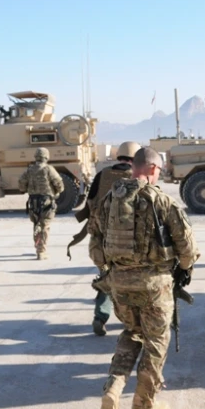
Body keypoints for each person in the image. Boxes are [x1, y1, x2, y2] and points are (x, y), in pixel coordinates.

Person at [89, 147, 199, 409]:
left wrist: (113, 271)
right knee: (156, 342)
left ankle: (114, 387)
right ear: (151, 169)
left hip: (119, 285)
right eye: (159, 170)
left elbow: (95, 247)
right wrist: (183, 268)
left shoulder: (108, 201)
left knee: (132, 332)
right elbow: (187, 248)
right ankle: (143, 404)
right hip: (154, 286)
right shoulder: (161, 201)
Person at [78, 141, 141, 336]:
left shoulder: (102, 175)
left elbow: (90, 202)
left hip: (103, 242)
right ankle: (133, 321)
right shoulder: (138, 177)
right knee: (135, 283)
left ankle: (100, 317)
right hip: (133, 243)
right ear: (136, 158)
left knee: (107, 278)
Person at [17, 147, 64, 260]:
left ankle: (38, 246)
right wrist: (56, 192)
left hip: (33, 202)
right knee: (45, 226)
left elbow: (21, 184)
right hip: (46, 202)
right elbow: (59, 185)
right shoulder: (49, 169)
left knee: (36, 224)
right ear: (46, 157)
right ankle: (41, 251)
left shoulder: (30, 170)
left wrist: (26, 190)